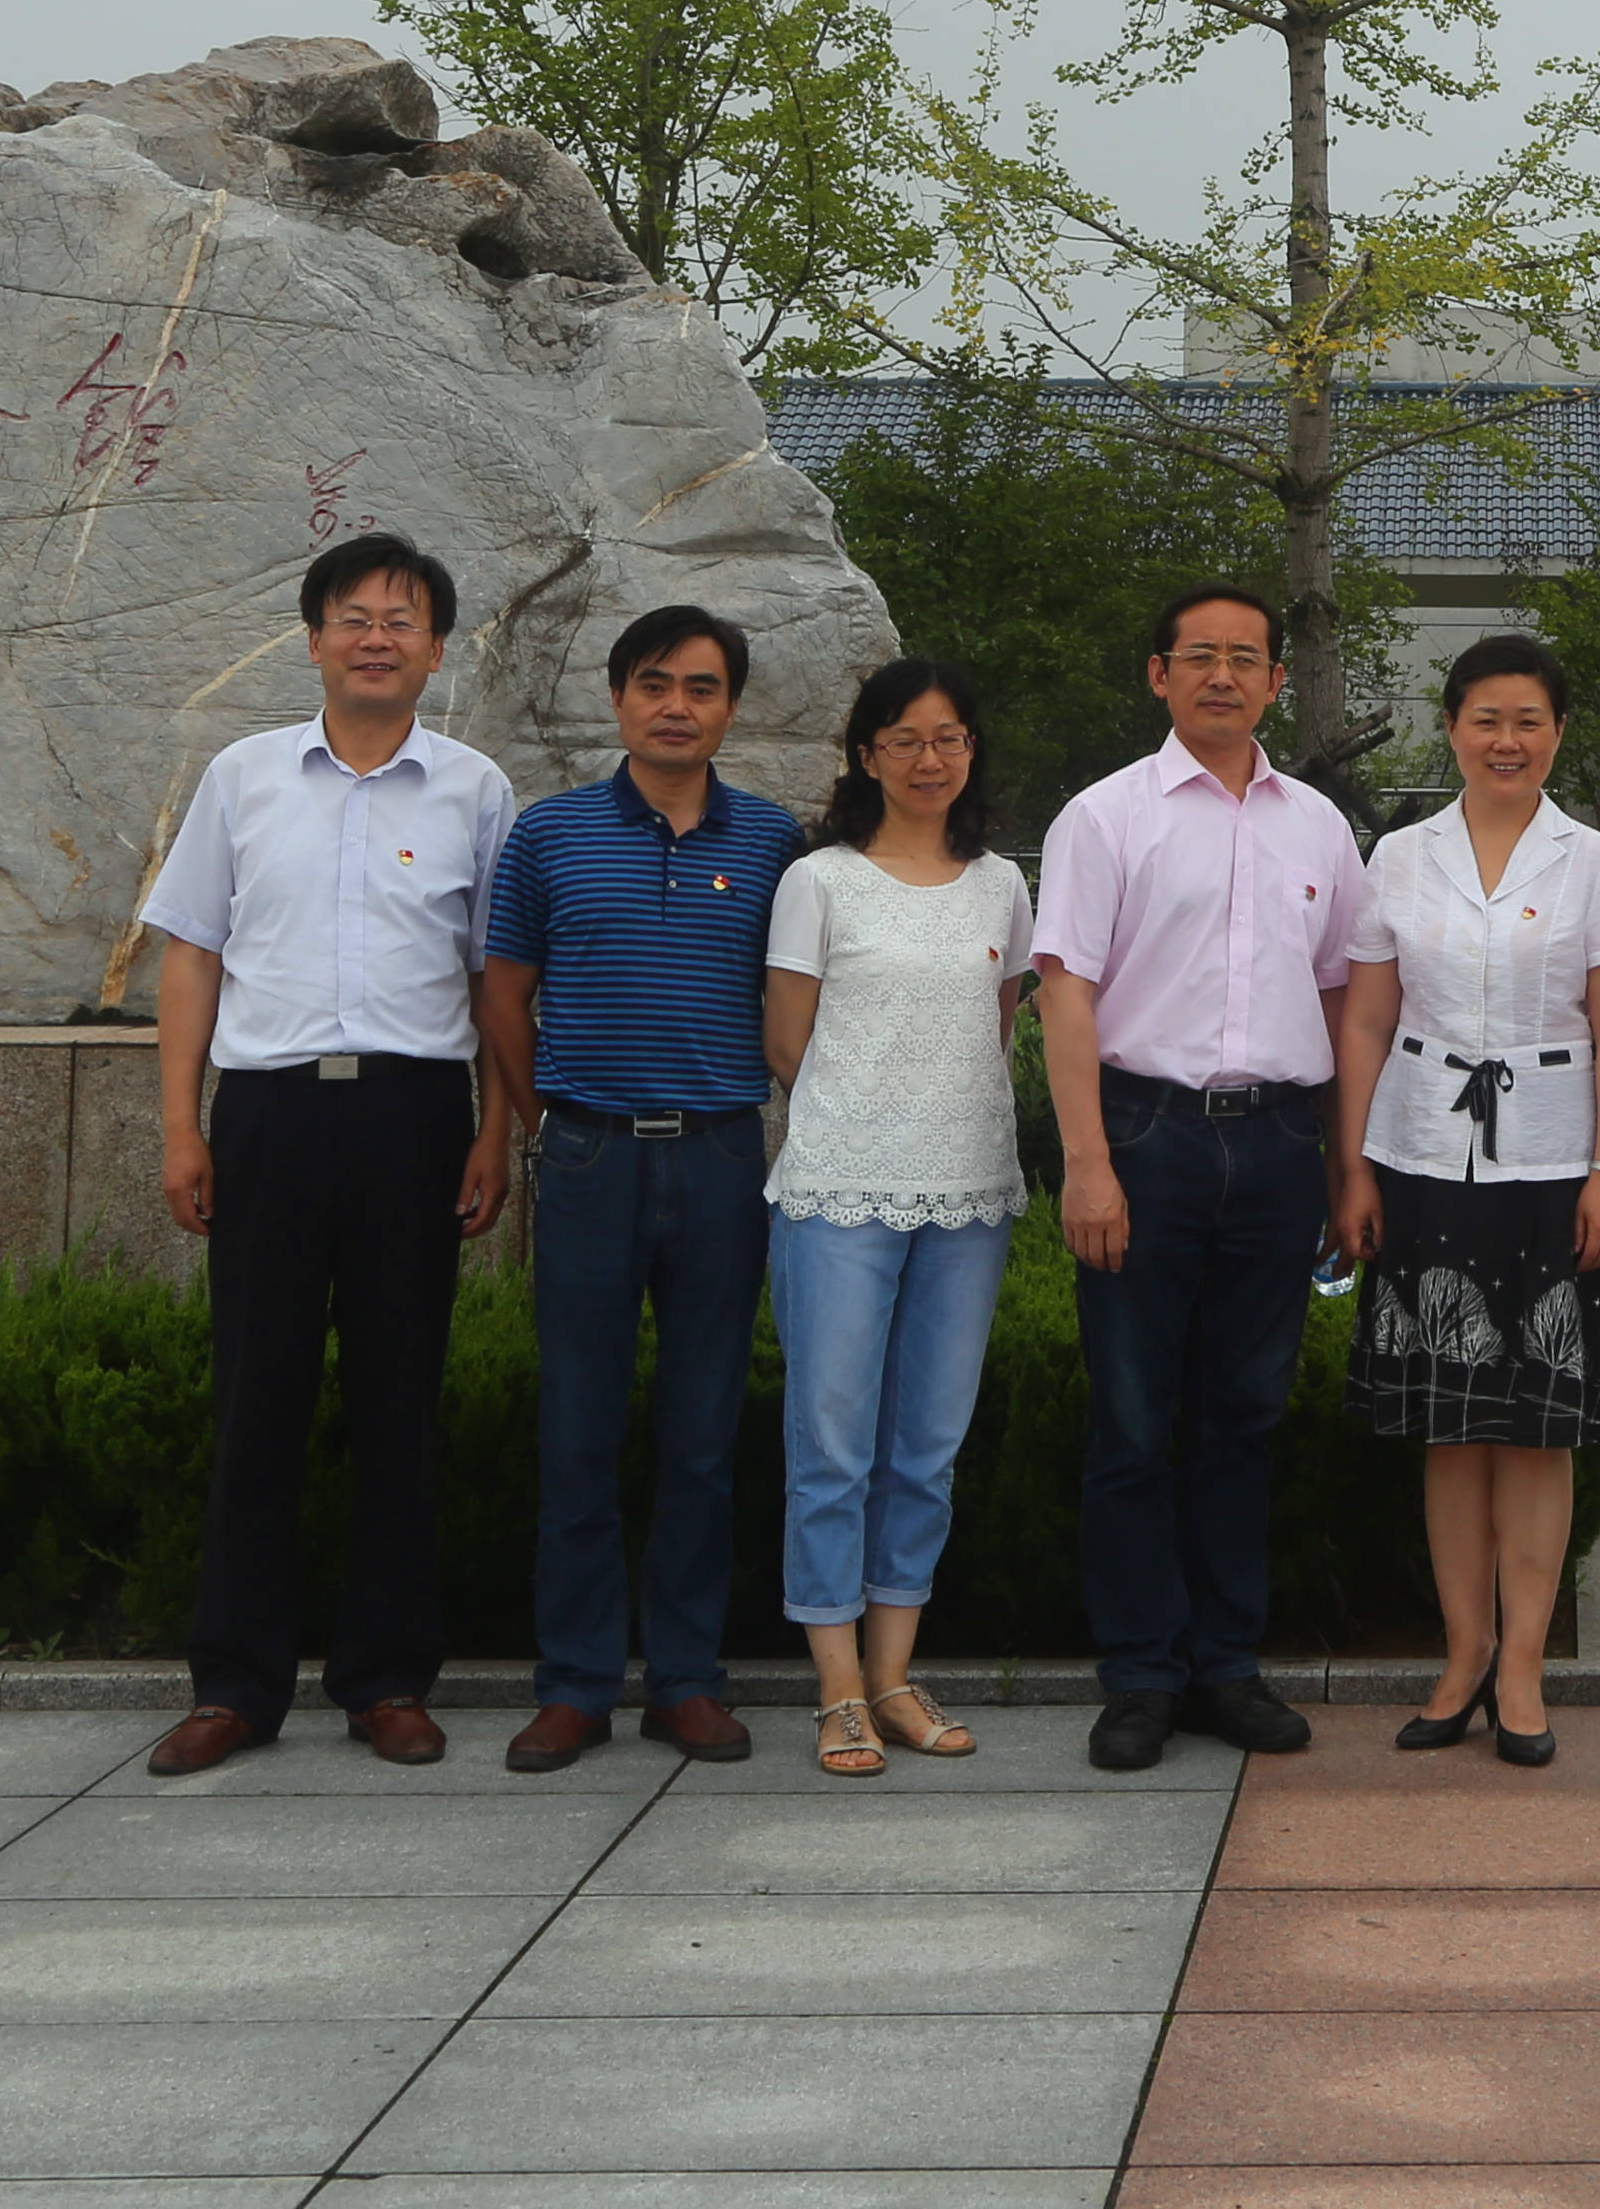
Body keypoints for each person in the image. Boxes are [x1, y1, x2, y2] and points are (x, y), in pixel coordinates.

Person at [136, 533, 518, 1775]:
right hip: (270, 1114)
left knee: (401, 1401)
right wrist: (182, 1125)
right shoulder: (243, 777)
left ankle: (388, 1678)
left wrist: (494, 1132)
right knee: (259, 1398)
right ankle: (235, 1687)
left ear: (436, 651)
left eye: (401, 621)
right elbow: (192, 953)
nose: (375, 638)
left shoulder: (475, 791)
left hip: (416, 1118)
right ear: (312, 640)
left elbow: (497, 979)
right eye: (353, 617)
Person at [1035, 582, 1362, 1773]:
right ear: (1159, 674)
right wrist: (1087, 1164)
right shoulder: (1104, 817)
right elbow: (1064, 993)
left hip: (1276, 1145)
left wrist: (1344, 1164)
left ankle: (1226, 1664)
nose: (1223, 676)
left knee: (1244, 1418)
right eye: (1199, 656)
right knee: (1132, 1422)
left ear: (1276, 680)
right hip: (1146, 1135)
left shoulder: (1320, 827)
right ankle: (1140, 1675)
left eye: (1245, 658)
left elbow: (1345, 1000)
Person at [481, 602, 802, 1775]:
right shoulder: (550, 835)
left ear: (731, 707)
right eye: (655, 683)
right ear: (618, 698)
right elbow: (503, 992)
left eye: (702, 687)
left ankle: (685, 1680)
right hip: (590, 1156)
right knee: (578, 1429)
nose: (677, 706)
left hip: (720, 1156)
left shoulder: (773, 843)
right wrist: (543, 1126)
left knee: (703, 1433)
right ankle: (573, 1686)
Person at [1330, 633, 1600, 1771]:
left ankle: (1523, 1669)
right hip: (1422, 1154)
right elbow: (1367, 1018)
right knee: (1450, 1424)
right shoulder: (1399, 855)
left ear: (1558, 732)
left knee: (1537, 1427)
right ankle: (1462, 1656)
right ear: (1451, 726)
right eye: (1486, 720)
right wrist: (1354, 1167)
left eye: (1529, 721)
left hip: (1552, 1165)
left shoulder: (1595, 861)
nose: (1507, 741)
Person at [763, 657, 1030, 1776]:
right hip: (840, 1192)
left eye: (950, 737)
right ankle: (836, 1691)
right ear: (867, 754)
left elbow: (999, 1027)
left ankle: (895, 1677)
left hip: (970, 1196)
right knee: (831, 1445)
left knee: (925, 1448)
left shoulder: (1003, 885)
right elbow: (788, 1043)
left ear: (971, 751)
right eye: (906, 739)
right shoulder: (819, 880)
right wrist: (868, 1123)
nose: (930, 758)